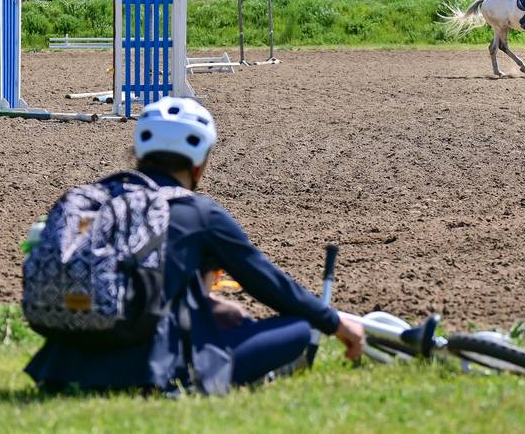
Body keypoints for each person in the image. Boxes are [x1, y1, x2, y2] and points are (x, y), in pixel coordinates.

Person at [24, 96, 365, 395]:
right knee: (297, 329)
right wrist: (333, 322)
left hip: (60, 365)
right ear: (199, 163)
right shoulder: (199, 213)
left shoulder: (103, 198)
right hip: (150, 371)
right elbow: (269, 285)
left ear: (140, 152)